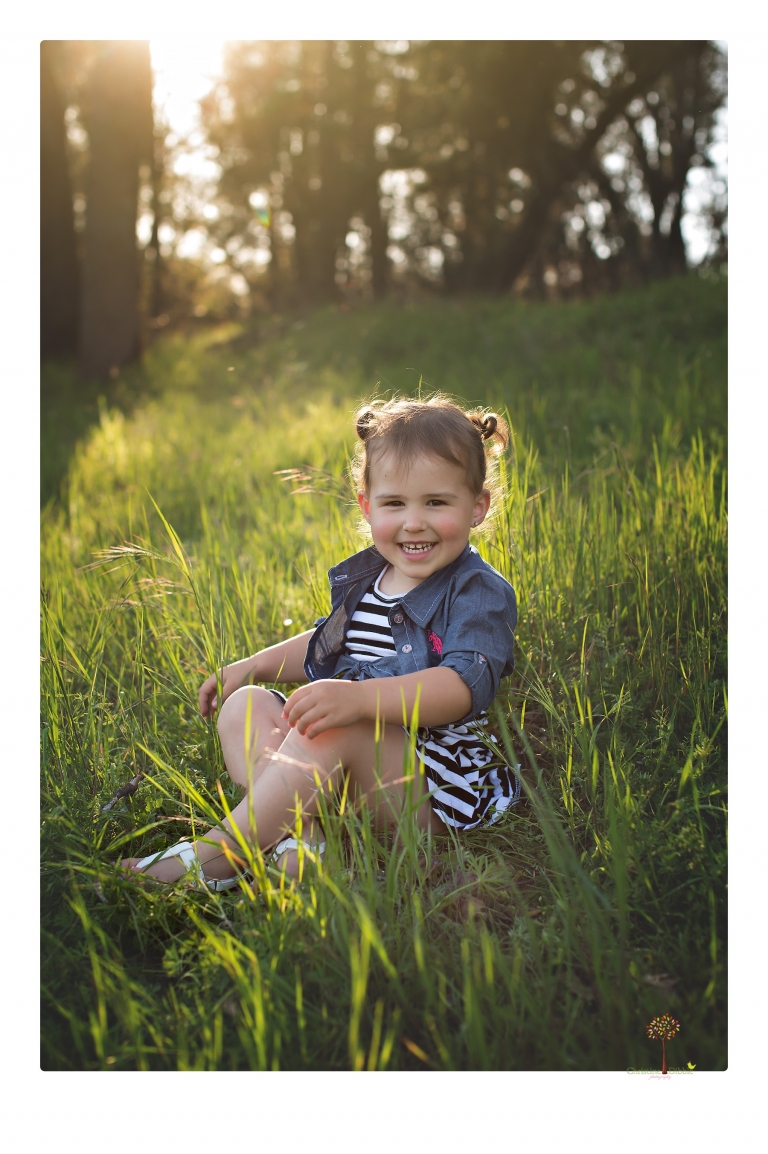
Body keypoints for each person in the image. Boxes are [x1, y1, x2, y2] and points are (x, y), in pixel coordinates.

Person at [121, 395, 520, 888]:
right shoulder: (372, 578)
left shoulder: (477, 592)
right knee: (245, 707)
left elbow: (461, 686)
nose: (413, 522)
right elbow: (327, 641)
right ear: (367, 506)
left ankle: (215, 858)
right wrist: (253, 668)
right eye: (395, 504)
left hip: (428, 794)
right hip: (350, 775)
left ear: (477, 506)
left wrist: (356, 699)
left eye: (436, 502)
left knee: (332, 728)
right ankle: (300, 838)